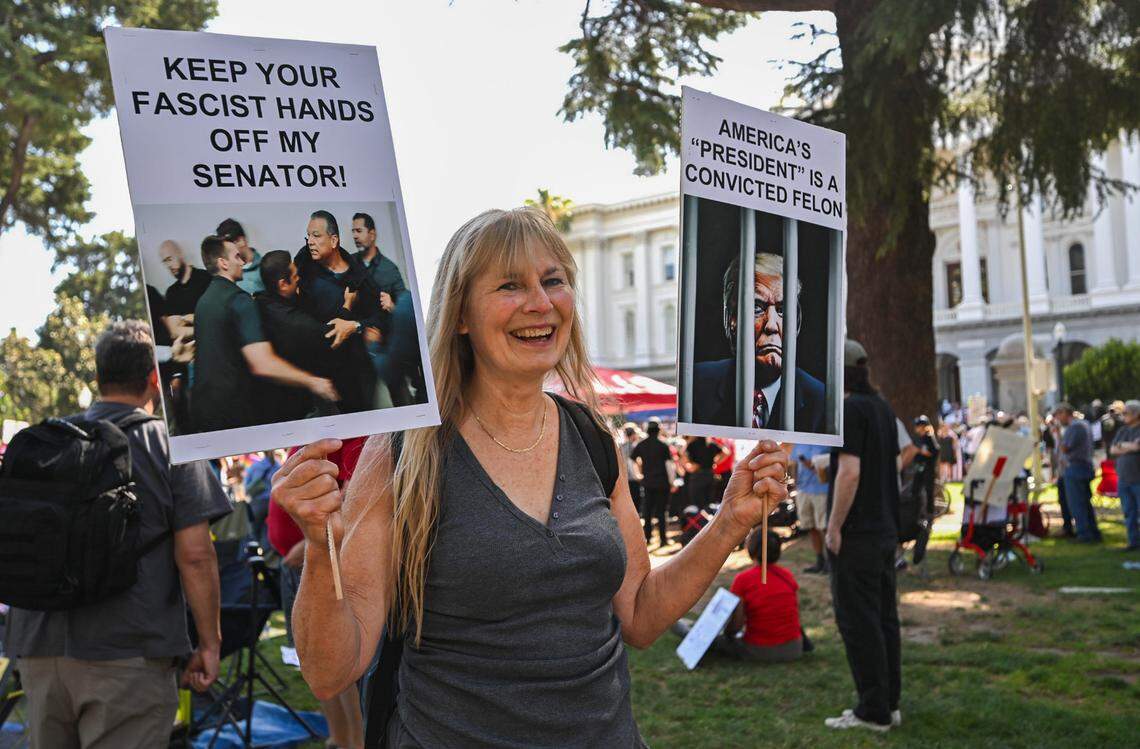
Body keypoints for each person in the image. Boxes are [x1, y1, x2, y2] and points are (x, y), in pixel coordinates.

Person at [271, 207, 789, 747]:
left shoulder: (591, 436)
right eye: (510, 286)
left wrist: (731, 520)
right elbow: (331, 671)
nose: (540, 304)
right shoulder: (403, 449)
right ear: (462, 314)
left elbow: (639, 613)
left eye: (553, 281)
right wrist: (318, 540)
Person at [4, 320, 232, 748]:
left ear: (98, 376)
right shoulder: (170, 445)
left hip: (39, 647)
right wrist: (210, 642)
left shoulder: (49, 440)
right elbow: (196, 555)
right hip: (129, 652)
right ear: (154, 379)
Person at [824, 339, 902, 733]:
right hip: (884, 528)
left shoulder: (851, 409)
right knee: (885, 618)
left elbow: (850, 472)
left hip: (859, 534)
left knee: (859, 621)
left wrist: (834, 526)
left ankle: (873, 710)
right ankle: (889, 702)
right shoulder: (882, 407)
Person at [269, 439, 366, 749]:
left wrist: (313, 544)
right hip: (300, 564)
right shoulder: (304, 425)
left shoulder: (346, 426)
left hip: (325, 559)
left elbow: (358, 485)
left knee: (340, 662)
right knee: (310, 655)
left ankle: (355, 740)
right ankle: (338, 737)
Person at [191, 235, 338, 433]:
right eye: (237, 257)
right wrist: (314, 382)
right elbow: (262, 364)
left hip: (203, 411)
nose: (242, 261)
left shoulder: (203, 302)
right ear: (223, 263)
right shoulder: (240, 301)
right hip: (232, 413)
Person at [692, 252, 826, 432]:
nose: (771, 325)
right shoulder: (696, 384)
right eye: (757, 307)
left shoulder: (821, 400)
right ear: (733, 318)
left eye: (782, 310)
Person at [256, 249, 377, 416]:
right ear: (283, 284)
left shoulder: (262, 301)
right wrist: (347, 305)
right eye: (295, 276)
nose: (299, 278)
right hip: (300, 401)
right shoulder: (294, 322)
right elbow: (331, 336)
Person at [672, 529, 809, 662]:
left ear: (751, 549)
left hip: (760, 650)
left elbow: (736, 624)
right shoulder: (787, 576)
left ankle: (677, 627)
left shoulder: (744, 580)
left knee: (710, 640)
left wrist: (728, 634)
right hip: (794, 648)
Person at [1056, 403, 1101, 543]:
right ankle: (1093, 532)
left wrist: (1058, 436)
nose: (1058, 418)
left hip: (1075, 469)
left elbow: (1064, 448)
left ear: (1065, 413)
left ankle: (1084, 534)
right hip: (1083, 467)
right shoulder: (1085, 424)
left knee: (1077, 504)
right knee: (1085, 503)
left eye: (1059, 414)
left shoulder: (1074, 427)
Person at [352, 211, 408, 313]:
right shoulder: (348, 262)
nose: (354, 236)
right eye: (353, 231)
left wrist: (391, 306)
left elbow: (405, 311)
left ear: (372, 235)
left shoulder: (390, 269)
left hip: (382, 327)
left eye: (359, 231)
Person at [790, 442, 830, 573]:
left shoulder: (825, 442)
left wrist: (812, 465)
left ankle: (830, 562)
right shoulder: (799, 442)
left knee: (824, 527)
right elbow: (794, 464)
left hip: (822, 489)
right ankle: (820, 561)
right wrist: (795, 485)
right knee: (810, 526)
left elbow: (829, 465)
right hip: (803, 490)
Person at [632, 420, 672, 547]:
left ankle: (647, 538)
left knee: (647, 512)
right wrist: (672, 481)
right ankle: (663, 540)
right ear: (658, 430)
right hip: (662, 483)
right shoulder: (663, 445)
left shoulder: (641, 444)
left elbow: (631, 459)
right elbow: (669, 465)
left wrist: (638, 474)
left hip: (647, 482)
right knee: (661, 512)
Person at [1109, 400, 1140, 551]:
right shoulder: (1123, 431)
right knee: (1129, 512)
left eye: (1126, 413)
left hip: (1138, 479)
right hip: (1124, 479)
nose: (1123, 416)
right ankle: (1133, 542)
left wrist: (1124, 446)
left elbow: (1137, 446)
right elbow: (1113, 450)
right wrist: (1129, 446)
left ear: (1136, 414)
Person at [159, 238, 212, 320]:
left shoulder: (206, 278)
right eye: (165, 262)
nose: (168, 265)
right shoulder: (171, 293)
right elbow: (174, 328)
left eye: (169, 259)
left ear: (180, 254)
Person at [216, 217, 265, 296]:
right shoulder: (225, 274)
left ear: (241, 240)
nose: (226, 252)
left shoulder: (264, 267)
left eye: (229, 246)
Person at [684, 435, 727, 509]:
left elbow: (684, 456)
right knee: (708, 501)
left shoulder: (692, 444)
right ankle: (706, 518)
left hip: (697, 475)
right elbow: (726, 452)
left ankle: (699, 518)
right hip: (709, 474)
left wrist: (691, 465)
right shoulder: (711, 444)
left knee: (696, 501)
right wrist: (716, 463)